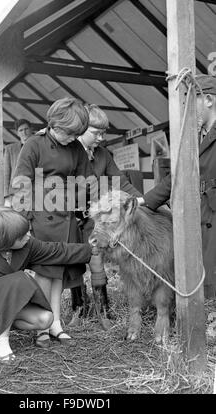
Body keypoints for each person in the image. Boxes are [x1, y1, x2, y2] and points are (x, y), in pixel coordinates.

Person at [0, 207, 93, 364]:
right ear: (6, 241)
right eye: (22, 235)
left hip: (7, 304)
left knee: (45, 319)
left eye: (27, 231)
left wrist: (91, 249)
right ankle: (0, 341)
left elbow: (56, 251)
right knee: (18, 279)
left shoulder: (26, 245)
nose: (28, 236)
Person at [11, 97, 98, 346]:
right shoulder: (34, 144)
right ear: (55, 125)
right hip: (41, 218)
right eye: (69, 134)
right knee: (43, 273)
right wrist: (24, 220)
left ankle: (56, 323)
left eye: (76, 135)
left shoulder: (76, 148)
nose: (73, 139)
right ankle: (42, 326)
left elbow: (87, 182)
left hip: (67, 218)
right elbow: (21, 184)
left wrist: (84, 207)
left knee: (59, 271)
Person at [137, 74, 216, 299]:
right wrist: (144, 201)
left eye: (191, 101)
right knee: (205, 268)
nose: (186, 108)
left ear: (208, 100)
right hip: (200, 211)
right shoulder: (194, 137)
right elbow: (178, 176)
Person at [69, 104, 143, 325]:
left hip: (94, 218)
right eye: (96, 132)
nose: (101, 137)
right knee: (73, 260)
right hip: (70, 217)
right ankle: (79, 308)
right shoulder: (69, 151)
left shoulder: (103, 154)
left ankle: (103, 310)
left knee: (96, 258)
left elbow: (120, 181)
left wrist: (141, 201)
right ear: (81, 128)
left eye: (103, 132)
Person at [4, 119, 34, 207]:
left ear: (31, 129)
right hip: (16, 191)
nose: (24, 132)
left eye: (26, 129)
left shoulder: (38, 146)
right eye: (21, 130)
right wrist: (6, 196)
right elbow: (6, 174)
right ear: (17, 133)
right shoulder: (10, 149)